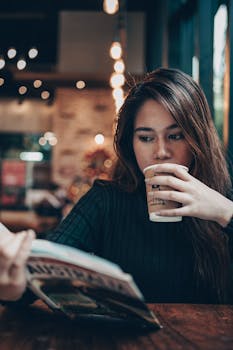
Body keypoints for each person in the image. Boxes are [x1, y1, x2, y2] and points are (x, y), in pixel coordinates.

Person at [1, 67, 233, 305]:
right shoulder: (106, 201)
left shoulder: (224, 195)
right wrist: (13, 284)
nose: (161, 152)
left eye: (175, 136)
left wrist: (225, 212)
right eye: (146, 138)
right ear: (129, 143)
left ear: (197, 139)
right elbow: (39, 276)